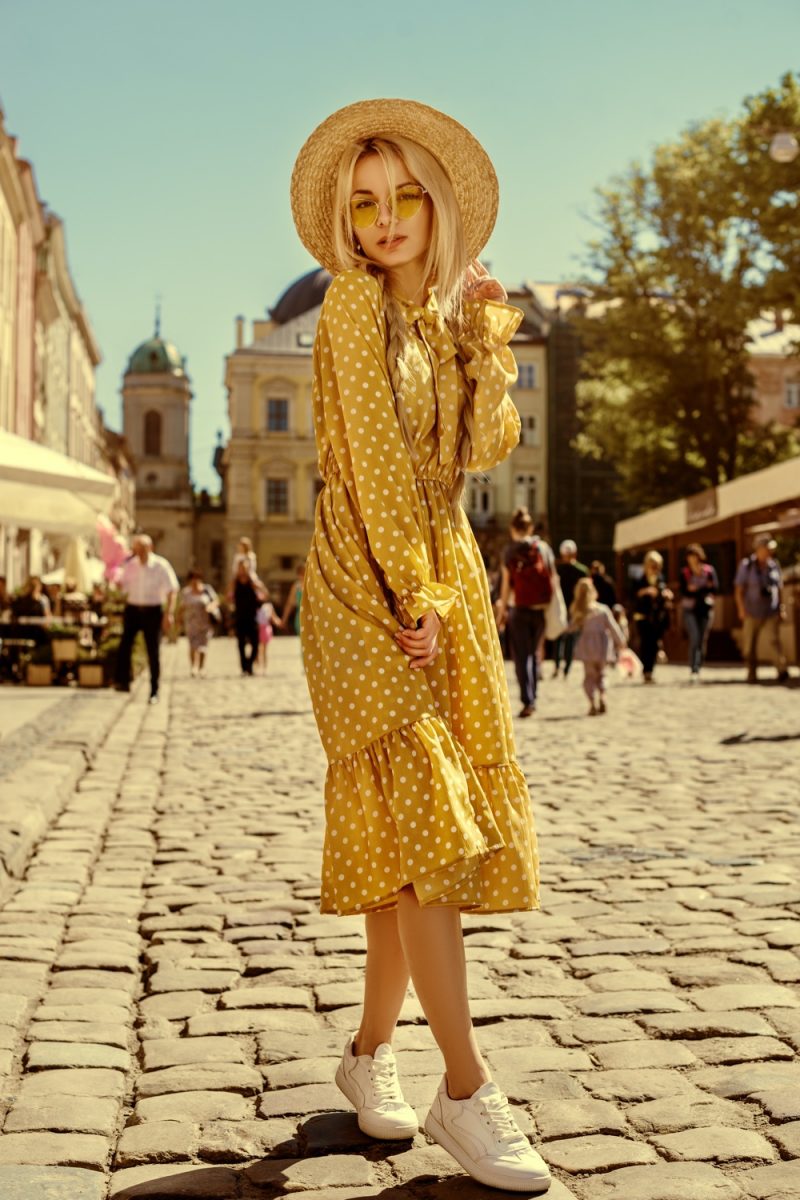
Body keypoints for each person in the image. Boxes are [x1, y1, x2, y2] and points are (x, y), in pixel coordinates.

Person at [289, 99, 548, 1194]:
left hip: (440, 578)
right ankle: (464, 1088)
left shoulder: (438, 322)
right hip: (372, 581)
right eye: (364, 205)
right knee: (428, 826)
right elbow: (385, 478)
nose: (384, 220)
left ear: (437, 210)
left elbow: (485, 449)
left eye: (402, 200)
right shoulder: (349, 308)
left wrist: (487, 335)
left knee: (411, 844)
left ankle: (364, 1060)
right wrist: (422, 594)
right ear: (346, 225)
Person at [496, 507, 556, 717]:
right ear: (530, 527)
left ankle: (527, 700)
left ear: (512, 528)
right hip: (539, 609)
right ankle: (534, 697)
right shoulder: (543, 548)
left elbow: (505, 588)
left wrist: (501, 613)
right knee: (533, 653)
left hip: (518, 610)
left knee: (522, 657)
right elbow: (553, 578)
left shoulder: (509, 552)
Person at [115, 535, 178, 704]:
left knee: (153, 651)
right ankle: (124, 681)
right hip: (133, 609)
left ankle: (154, 690)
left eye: (142, 549)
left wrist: (169, 614)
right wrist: (117, 583)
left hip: (152, 611)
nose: (139, 553)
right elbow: (123, 587)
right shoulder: (130, 565)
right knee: (125, 645)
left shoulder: (160, 566)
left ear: (150, 548)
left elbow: (172, 590)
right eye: (136, 549)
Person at [734, 534, 789, 684]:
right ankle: (752, 674)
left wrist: (781, 608)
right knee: (749, 645)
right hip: (751, 611)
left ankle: (782, 670)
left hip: (771, 610)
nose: (770, 552)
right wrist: (741, 609)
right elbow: (739, 590)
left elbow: (779, 588)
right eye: (767, 548)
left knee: (774, 641)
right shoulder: (746, 565)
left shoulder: (774, 565)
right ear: (759, 549)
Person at [569, 577, 627, 715]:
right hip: (602, 647)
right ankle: (602, 696)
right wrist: (621, 641)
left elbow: (570, 627)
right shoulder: (603, 609)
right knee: (601, 675)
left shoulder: (580, 611)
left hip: (587, 648)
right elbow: (613, 627)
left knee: (589, 676)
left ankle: (592, 703)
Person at [679, 543, 719, 683]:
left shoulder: (708, 571)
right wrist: (700, 589)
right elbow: (684, 591)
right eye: (690, 557)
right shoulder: (684, 572)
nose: (692, 559)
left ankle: (699, 665)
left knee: (702, 639)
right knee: (694, 637)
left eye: (694, 556)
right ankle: (693, 668)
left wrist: (695, 589)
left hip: (705, 609)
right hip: (690, 609)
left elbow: (714, 589)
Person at [632, 549, 673, 683]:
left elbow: (661, 595)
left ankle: (650, 670)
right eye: (652, 566)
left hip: (656, 617)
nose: (655, 569)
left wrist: (666, 594)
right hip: (642, 616)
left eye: (657, 566)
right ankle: (646, 671)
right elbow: (632, 595)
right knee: (645, 643)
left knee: (654, 643)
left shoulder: (660, 579)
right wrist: (644, 592)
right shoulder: (639, 579)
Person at [552, 540, 587, 678]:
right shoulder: (559, 570)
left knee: (569, 639)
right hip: (561, 607)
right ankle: (558, 666)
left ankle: (566, 668)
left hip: (573, 609)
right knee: (559, 637)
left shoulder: (581, 571)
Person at [180, 570, 219, 678]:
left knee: (203, 645)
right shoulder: (186, 592)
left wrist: (211, 607)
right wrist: (178, 620)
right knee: (193, 645)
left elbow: (216, 600)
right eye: (192, 579)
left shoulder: (207, 589)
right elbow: (182, 607)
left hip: (205, 622)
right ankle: (194, 667)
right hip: (191, 623)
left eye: (197, 578)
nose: (195, 581)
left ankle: (202, 667)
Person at [232, 559, 262, 676]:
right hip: (239, 617)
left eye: (244, 568)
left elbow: (265, 593)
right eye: (241, 568)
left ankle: (249, 664)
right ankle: (244, 668)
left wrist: (257, 585)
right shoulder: (235, 582)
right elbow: (228, 594)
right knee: (241, 644)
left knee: (255, 644)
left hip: (252, 617)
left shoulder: (252, 581)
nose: (242, 570)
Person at [256, 590, 283, 674]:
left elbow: (273, 617)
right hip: (257, 629)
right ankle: (258, 665)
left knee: (264, 649)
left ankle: (264, 667)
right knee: (257, 649)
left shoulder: (268, 606)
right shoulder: (255, 606)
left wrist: (279, 622)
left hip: (265, 629)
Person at [281, 562, 305, 637]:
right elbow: (290, 603)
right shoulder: (296, 586)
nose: (301, 575)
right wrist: (284, 620)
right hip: (300, 617)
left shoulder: (312, 583)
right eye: (299, 573)